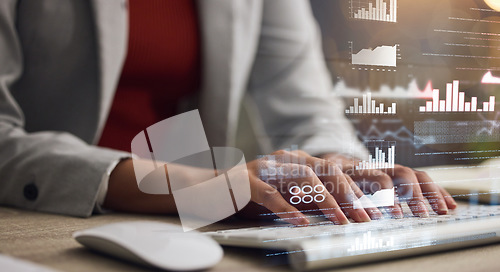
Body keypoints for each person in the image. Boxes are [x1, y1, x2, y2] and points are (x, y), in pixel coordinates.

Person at [0, 0, 456, 225]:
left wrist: (338, 162)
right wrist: (209, 186)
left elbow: (306, 107)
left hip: (185, 225)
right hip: (44, 220)